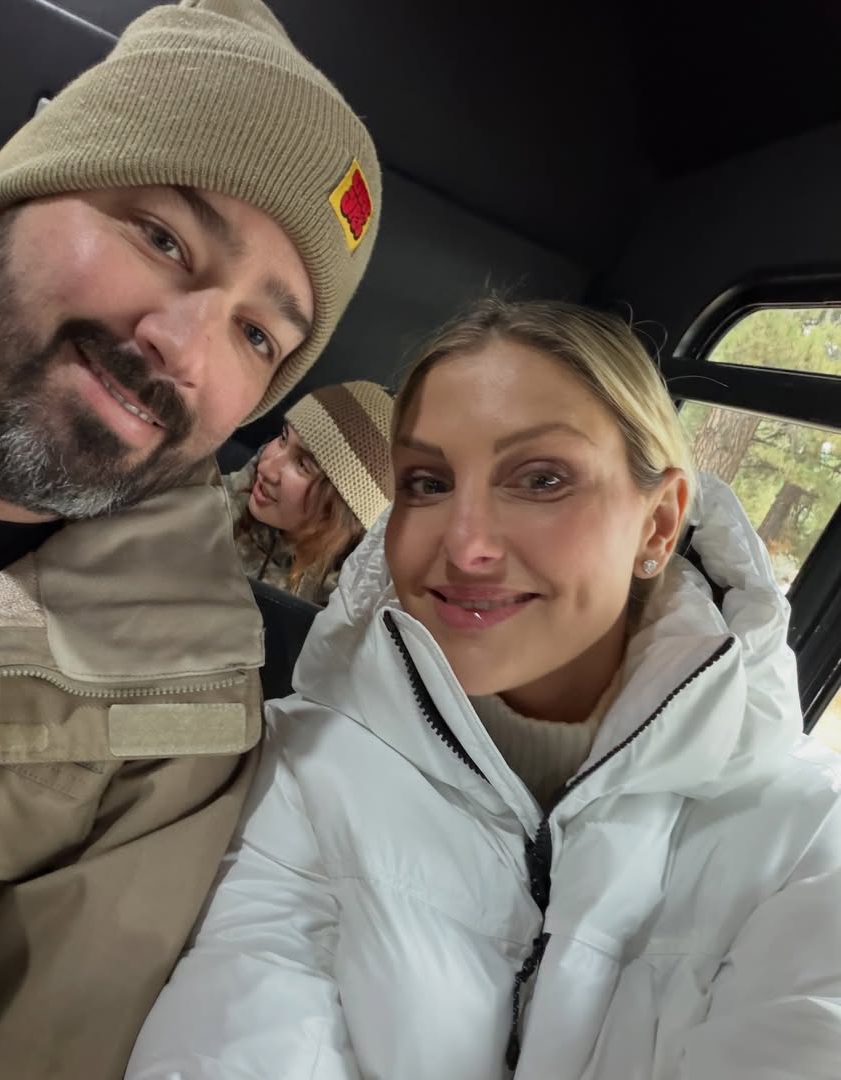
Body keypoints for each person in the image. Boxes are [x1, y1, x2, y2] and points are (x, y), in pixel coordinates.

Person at [0, 1, 380, 1075]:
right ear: (22, 190)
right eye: (162, 236)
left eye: (256, 335)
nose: (183, 349)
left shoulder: (170, 729)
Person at [127, 298, 841, 1080]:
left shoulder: (808, 842)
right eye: (427, 483)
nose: (465, 545)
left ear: (659, 525)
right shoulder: (302, 767)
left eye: (541, 479)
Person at [226, 380, 393, 605]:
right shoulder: (208, 502)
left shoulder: (345, 611)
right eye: (284, 438)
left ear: (344, 510)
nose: (267, 467)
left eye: (303, 465)